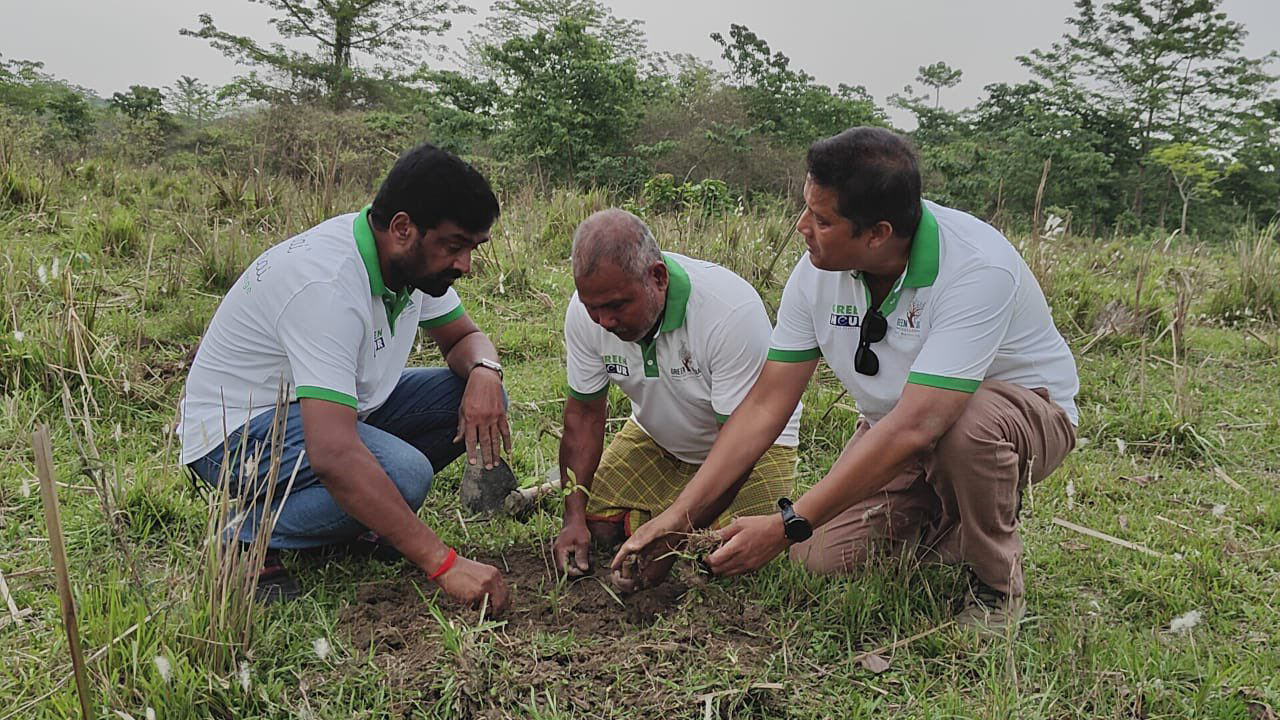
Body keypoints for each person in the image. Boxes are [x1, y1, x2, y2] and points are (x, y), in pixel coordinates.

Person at [614, 127, 1078, 630]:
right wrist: (680, 519)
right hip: (896, 428)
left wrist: (786, 524)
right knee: (817, 559)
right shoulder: (817, 272)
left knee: (964, 430)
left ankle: (997, 586)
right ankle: (950, 526)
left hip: (1018, 419)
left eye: (821, 218)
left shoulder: (977, 268)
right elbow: (768, 403)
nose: (801, 227)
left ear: (877, 233)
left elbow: (920, 424)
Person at [179, 143, 511, 612]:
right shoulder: (327, 284)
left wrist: (485, 369)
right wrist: (442, 563)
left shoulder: (409, 264)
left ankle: (359, 519)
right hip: (236, 434)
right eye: (454, 246)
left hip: (331, 409)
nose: (465, 265)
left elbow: (464, 340)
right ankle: (244, 536)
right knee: (405, 476)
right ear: (402, 228)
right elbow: (333, 453)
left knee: (475, 396)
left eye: (471, 249)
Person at [552, 209, 803, 579]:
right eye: (593, 308)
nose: (604, 321)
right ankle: (662, 512)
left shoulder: (729, 313)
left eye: (617, 306)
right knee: (597, 528)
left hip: (752, 448)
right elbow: (584, 416)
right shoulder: (585, 312)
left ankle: (664, 515)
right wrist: (572, 518)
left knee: (728, 552)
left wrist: (674, 539)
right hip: (658, 439)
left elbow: (738, 444)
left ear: (658, 277)